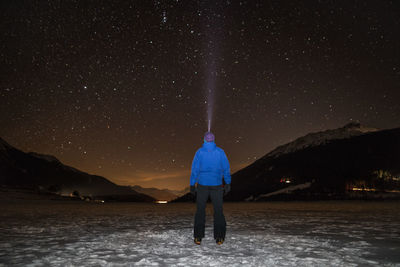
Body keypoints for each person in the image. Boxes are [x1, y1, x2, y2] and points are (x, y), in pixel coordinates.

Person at [190, 131, 231, 245]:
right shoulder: (220, 152)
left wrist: (192, 184)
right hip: (217, 185)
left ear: (204, 140)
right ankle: (220, 237)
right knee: (218, 211)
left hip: (202, 185)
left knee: (200, 211)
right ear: (213, 140)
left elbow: (195, 170)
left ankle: (198, 237)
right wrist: (227, 182)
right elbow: (226, 168)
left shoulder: (199, 152)